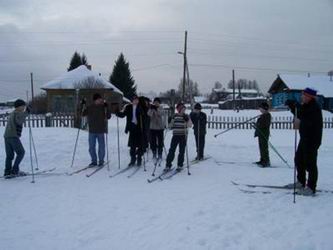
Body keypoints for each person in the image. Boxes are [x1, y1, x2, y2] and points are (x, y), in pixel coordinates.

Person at [285, 88, 323, 196]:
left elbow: (302, 115)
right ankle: (301, 182)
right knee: (298, 160)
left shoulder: (314, 107)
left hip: (312, 139)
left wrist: (294, 106)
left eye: (304, 95)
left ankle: (311, 187)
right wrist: (293, 105)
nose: (302, 97)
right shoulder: (307, 106)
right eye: (302, 95)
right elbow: (300, 112)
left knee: (310, 164)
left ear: (310, 97)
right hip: (304, 138)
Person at [116, 95, 147, 166]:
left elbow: (145, 115)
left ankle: (139, 158)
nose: (135, 101)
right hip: (132, 128)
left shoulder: (141, 107)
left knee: (140, 145)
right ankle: (133, 159)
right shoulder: (128, 107)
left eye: (137, 100)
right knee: (132, 146)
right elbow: (123, 115)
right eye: (134, 100)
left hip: (140, 128)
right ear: (132, 101)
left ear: (138, 101)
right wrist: (117, 112)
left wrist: (141, 112)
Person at [81, 93, 111, 167]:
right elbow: (82, 114)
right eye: (98, 99)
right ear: (95, 100)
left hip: (100, 130)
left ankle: (101, 161)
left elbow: (108, 116)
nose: (100, 100)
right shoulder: (90, 107)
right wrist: (83, 105)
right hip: (92, 130)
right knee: (91, 147)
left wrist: (107, 108)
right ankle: (94, 161)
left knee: (102, 147)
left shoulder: (103, 107)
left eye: (100, 99)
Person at [3, 99, 30, 178]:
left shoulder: (13, 113)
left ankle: (7, 172)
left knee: (9, 155)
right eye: (23, 106)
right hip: (13, 136)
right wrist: (27, 112)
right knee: (21, 152)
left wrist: (25, 113)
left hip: (7, 136)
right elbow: (19, 121)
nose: (24, 107)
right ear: (18, 107)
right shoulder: (17, 113)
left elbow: (19, 119)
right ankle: (15, 171)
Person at [164, 102, 192, 172]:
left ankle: (180, 165)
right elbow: (170, 127)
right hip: (175, 135)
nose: (183, 110)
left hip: (183, 136)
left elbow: (190, 125)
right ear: (178, 109)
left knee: (181, 151)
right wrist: (170, 120)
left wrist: (187, 120)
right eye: (182, 109)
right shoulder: (174, 116)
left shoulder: (186, 116)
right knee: (171, 150)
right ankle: (168, 165)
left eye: (184, 109)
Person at [254, 102, 272, 167]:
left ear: (264, 108)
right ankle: (262, 160)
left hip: (264, 133)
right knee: (261, 147)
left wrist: (258, 125)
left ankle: (266, 161)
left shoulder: (267, 115)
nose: (260, 109)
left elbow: (265, 124)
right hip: (260, 133)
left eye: (261, 108)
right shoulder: (263, 115)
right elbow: (260, 124)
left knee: (264, 147)